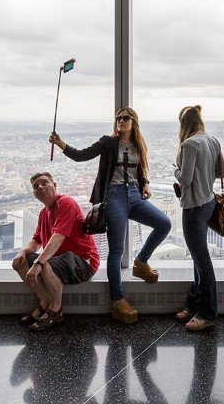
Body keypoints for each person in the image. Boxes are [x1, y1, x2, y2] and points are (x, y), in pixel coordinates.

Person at [50, 106, 170, 324]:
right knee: (116, 250)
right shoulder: (108, 142)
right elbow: (81, 155)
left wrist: (145, 184)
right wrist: (61, 144)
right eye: (118, 118)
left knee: (164, 223)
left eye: (125, 118)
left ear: (134, 121)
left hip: (134, 194)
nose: (120, 121)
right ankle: (118, 300)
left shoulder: (138, 145)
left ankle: (141, 261)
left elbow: (141, 171)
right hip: (114, 195)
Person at [12, 172, 100, 330]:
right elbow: (37, 241)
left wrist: (38, 263)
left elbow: (58, 237)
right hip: (59, 261)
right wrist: (22, 252)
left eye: (44, 183)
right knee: (20, 262)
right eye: (36, 186)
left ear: (55, 185)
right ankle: (45, 301)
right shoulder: (43, 213)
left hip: (83, 262)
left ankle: (56, 310)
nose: (40, 187)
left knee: (45, 264)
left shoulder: (65, 202)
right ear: (34, 193)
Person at [173, 105, 223, 331]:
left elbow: (185, 178)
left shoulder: (189, 144)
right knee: (198, 257)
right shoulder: (212, 140)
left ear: (184, 125)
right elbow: (221, 172)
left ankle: (208, 312)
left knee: (201, 260)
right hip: (209, 203)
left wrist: (176, 169)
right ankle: (194, 303)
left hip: (193, 206)